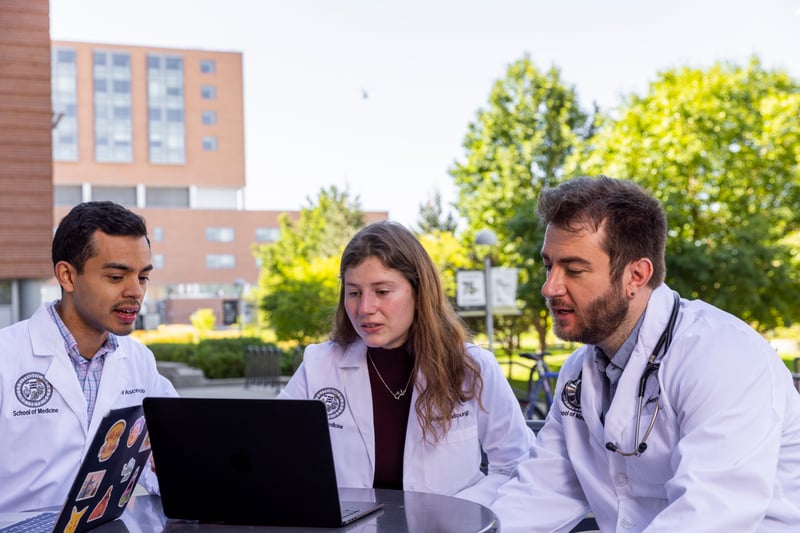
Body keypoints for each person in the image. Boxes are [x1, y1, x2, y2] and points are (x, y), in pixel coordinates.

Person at [492, 176, 800, 531]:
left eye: (574, 270)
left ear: (636, 275)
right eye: (549, 266)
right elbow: (542, 491)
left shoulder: (725, 358)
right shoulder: (580, 372)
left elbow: (709, 515)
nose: (550, 287)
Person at [279, 220, 533, 506]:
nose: (365, 308)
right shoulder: (319, 365)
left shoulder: (472, 367)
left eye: (382, 291)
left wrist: (460, 512)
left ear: (419, 292)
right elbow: (272, 450)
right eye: (354, 292)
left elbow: (516, 465)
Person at [0, 201, 177, 513]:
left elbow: (170, 460)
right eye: (115, 277)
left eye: (143, 277)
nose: (135, 291)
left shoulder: (139, 360)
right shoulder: (6, 357)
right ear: (67, 276)